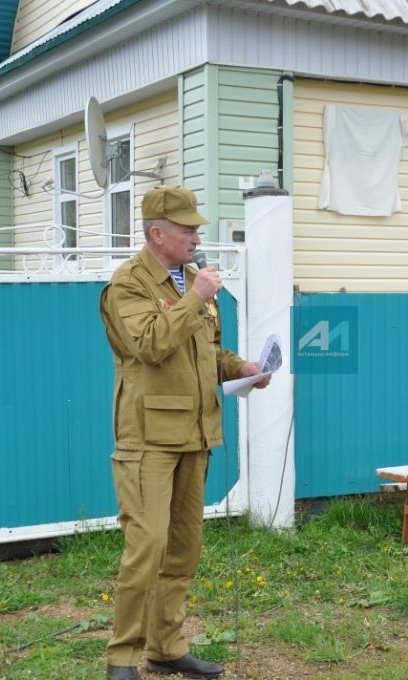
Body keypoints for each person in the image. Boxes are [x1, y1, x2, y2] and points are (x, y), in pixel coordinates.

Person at [100, 185, 270, 680]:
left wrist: (244, 367)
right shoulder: (127, 284)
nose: (197, 234)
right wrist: (194, 299)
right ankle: (122, 659)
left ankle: (166, 647)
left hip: (196, 434)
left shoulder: (194, 280)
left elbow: (205, 354)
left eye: (197, 227)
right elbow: (150, 344)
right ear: (157, 233)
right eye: (187, 228)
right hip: (148, 438)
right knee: (147, 547)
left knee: (183, 547)